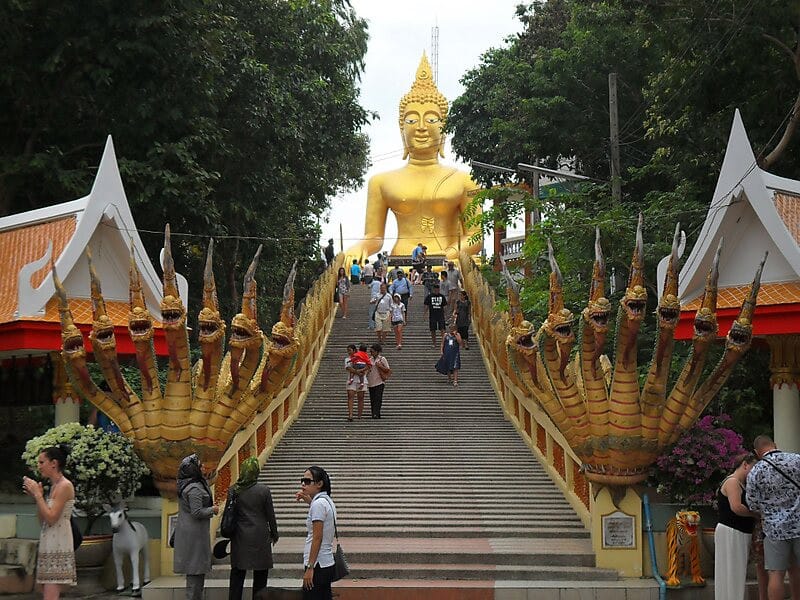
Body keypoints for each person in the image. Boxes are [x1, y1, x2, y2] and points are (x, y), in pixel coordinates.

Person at [345, 53, 482, 263]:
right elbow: (374, 237)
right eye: (411, 120)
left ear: (444, 130)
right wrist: (357, 248)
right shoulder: (381, 182)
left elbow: (476, 235)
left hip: (448, 260)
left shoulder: (464, 180)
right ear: (401, 130)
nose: (420, 127)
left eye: (431, 119)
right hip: (399, 261)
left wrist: (449, 255)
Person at [746, 435, 800, 600]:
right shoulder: (797, 459)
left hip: (774, 530)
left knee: (776, 574)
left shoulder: (756, 471)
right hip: (799, 525)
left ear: (756, 452)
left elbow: (752, 504)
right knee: (797, 570)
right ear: (775, 445)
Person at [22, 444, 76, 599]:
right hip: (49, 540)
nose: (39, 466)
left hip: (59, 542)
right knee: (46, 591)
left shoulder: (65, 486)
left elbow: (52, 518)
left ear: (54, 463)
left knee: (51, 593)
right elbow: (43, 520)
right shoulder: (53, 487)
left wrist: (39, 496)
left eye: (41, 462)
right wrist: (36, 497)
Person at [227, 457, 279, 600]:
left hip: (239, 536)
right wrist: (274, 533)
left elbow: (229, 513)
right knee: (261, 576)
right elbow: (270, 515)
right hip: (260, 536)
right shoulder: (263, 490)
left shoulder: (234, 490)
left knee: (237, 574)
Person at [173, 454, 219, 600]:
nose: (203, 467)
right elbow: (197, 512)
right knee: (194, 573)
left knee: (197, 573)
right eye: (200, 466)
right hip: (194, 536)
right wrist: (213, 509)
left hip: (194, 533)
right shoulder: (193, 489)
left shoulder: (191, 484)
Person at [714, 453, 758, 600]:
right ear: (745, 465)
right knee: (732, 571)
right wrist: (756, 515)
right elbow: (736, 507)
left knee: (735, 572)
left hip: (738, 531)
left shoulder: (740, 483)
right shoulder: (733, 482)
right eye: (753, 468)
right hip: (732, 531)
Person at [295, 466, 337, 600]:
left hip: (317, 564)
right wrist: (309, 501)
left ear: (319, 484)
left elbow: (317, 537)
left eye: (307, 481)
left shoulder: (318, 504)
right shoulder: (326, 501)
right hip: (326, 562)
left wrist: (310, 567)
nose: (303, 484)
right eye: (302, 480)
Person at [366, 344, 391, 418]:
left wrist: (380, 366)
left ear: (377, 352)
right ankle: (374, 412)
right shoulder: (369, 360)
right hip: (371, 381)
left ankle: (376, 413)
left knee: (378, 398)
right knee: (372, 398)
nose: (371, 353)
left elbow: (388, 369)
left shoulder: (382, 359)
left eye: (372, 351)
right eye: (370, 351)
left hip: (379, 381)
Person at [344, 344, 365, 421]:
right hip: (351, 379)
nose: (348, 352)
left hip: (361, 379)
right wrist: (358, 372)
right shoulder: (347, 359)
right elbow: (348, 368)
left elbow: (367, 366)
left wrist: (362, 371)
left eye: (350, 350)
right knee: (350, 395)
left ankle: (359, 415)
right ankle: (350, 414)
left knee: (361, 397)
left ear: (354, 350)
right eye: (347, 350)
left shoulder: (361, 358)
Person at [424, 282, 448, 348]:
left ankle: (443, 343)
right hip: (432, 315)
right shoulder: (429, 296)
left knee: (442, 329)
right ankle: (434, 343)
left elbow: (445, 306)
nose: (436, 291)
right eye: (435, 289)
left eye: (438, 289)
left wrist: (446, 315)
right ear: (433, 289)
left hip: (440, 315)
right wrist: (425, 314)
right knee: (433, 330)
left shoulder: (442, 296)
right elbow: (426, 305)